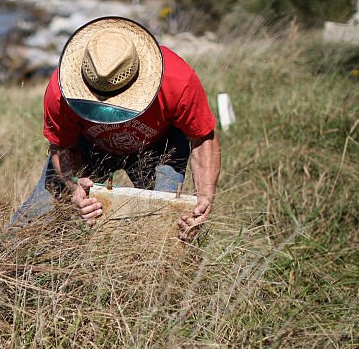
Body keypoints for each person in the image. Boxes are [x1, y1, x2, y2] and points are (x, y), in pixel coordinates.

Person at [14, 16, 220, 241]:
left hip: (160, 147)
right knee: (32, 220)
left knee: (164, 226)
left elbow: (203, 138)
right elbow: (63, 146)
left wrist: (204, 198)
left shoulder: (178, 80)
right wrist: (74, 185)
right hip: (88, 145)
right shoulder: (60, 92)